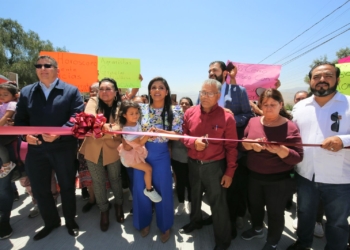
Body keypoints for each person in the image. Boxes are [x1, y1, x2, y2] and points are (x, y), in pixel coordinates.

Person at [14, 55, 84, 240]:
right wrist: (25, 136)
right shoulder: (27, 91)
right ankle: (51, 222)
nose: (43, 68)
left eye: (48, 65)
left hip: (64, 148)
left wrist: (59, 133)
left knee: (67, 186)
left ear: (57, 70)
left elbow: (77, 117)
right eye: (39, 65)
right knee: (40, 189)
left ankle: (70, 220)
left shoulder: (71, 90)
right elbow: (20, 120)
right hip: (36, 150)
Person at [288, 62, 350, 250]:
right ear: (310, 81)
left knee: (337, 222)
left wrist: (343, 140)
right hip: (306, 174)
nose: (322, 80)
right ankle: (303, 244)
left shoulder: (348, 103)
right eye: (316, 77)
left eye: (327, 76)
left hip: (339, 178)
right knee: (305, 214)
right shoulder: (300, 107)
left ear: (337, 79)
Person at [240, 88, 303, 250]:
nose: (268, 108)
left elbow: (297, 156)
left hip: (278, 180)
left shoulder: (290, 127)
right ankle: (257, 228)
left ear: (281, 105)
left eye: (273, 105)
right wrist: (250, 145)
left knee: (275, 212)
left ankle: (273, 240)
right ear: (260, 104)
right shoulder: (253, 122)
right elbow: (242, 143)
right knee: (255, 206)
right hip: (254, 176)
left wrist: (280, 150)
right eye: (265, 104)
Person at [180, 79, 238, 250]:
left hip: (214, 167)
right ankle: (195, 221)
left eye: (209, 93)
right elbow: (183, 135)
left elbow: (232, 147)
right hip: (193, 164)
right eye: (202, 92)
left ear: (218, 96)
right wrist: (193, 143)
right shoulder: (190, 112)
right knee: (194, 196)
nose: (204, 96)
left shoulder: (227, 117)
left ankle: (222, 242)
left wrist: (230, 172)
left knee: (218, 204)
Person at [130, 77, 183, 243]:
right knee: (140, 189)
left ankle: (165, 225)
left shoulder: (176, 110)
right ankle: (143, 222)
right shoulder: (141, 109)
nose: (157, 90)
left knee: (163, 190)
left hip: (161, 155)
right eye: (153, 87)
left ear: (166, 91)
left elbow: (177, 136)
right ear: (149, 91)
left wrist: (158, 131)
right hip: (141, 154)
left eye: (161, 87)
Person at [209, 61, 254, 237]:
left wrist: (231, 118)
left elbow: (248, 115)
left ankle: (236, 218)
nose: (211, 73)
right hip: (212, 151)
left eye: (215, 70)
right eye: (209, 70)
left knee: (235, 188)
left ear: (224, 73)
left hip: (234, 150)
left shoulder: (238, 91)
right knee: (218, 189)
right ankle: (220, 218)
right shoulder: (204, 92)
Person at [79, 78, 124, 232]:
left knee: (115, 179)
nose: (104, 92)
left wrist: (101, 128)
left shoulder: (121, 106)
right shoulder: (93, 101)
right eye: (101, 89)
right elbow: (89, 119)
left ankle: (118, 205)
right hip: (93, 149)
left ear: (116, 91)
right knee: (97, 182)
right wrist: (109, 129)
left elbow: (121, 126)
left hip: (114, 149)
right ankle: (103, 211)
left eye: (108, 89)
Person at [291, 90, 325, 238]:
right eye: (297, 99)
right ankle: (303, 234)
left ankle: (317, 221)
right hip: (301, 164)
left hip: (327, 166)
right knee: (303, 197)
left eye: (303, 98)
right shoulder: (296, 112)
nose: (300, 101)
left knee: (322, 199)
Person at [117, 100, 162, 202]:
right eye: (131, 114)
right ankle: (149, 190)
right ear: (124, 115)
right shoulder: (127, 129)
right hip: (130, 157)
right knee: (148, 169)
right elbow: (140, 142)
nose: (135, 115)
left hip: (134, 153)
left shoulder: (135, 123)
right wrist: (149, 133)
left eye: (136, 113)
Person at [172, 97, 193, 215]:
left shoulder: (195, 118)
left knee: (190, 182)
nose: (184, 105)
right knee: (179, 182)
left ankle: (190, 202)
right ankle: (180, 203)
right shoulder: (174, 118)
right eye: (182, 103)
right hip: (177, 155)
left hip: (191, 156)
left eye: (187, 103)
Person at [0, 83, 19, 178]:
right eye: (0, 94)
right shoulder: (4, 104)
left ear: (14, 95)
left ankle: (7, 163)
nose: (2, 96)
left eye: (5, 94)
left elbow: (7, 116)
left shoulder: (12, 104)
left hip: (8, 132)